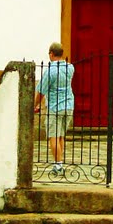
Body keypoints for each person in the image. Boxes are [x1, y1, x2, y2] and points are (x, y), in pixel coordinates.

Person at [33, 42, 75, 174]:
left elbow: (41, 91)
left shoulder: (50, 71)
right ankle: (60, 162)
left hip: (55, 107)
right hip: (68, 105)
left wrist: (35, 105)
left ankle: (58, 165)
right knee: (61, 135)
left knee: (53, 136)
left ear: (51, 54)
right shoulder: (70, 68)